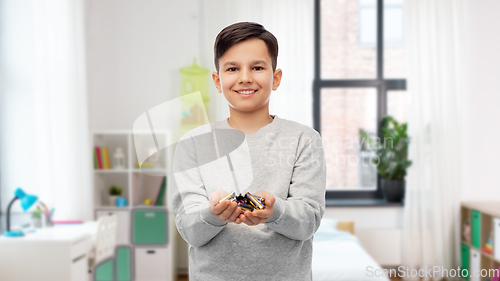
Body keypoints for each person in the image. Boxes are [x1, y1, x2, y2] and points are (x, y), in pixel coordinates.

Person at [171, 22, 326, 280]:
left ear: (275, 78)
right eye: (232, 68)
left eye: (257, 67)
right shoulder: (193, 143)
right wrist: (212, 214)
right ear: (217, 81)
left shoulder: (304, 139)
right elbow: (190, 232)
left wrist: (275, 212)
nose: (245, 77)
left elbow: (308, 223)